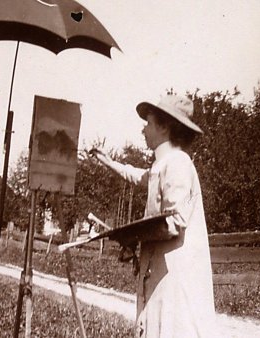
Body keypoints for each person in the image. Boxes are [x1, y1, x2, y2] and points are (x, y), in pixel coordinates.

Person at [90, 95, 216, 338]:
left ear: (164, 126)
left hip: (175, 270)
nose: (143, 129)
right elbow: (140, 176)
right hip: (161, 267)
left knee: (171, 328)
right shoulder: (163, 164)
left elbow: (176, 221)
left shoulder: (178, 163)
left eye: (148, 123)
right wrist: (108, 161)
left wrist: (132, 234)